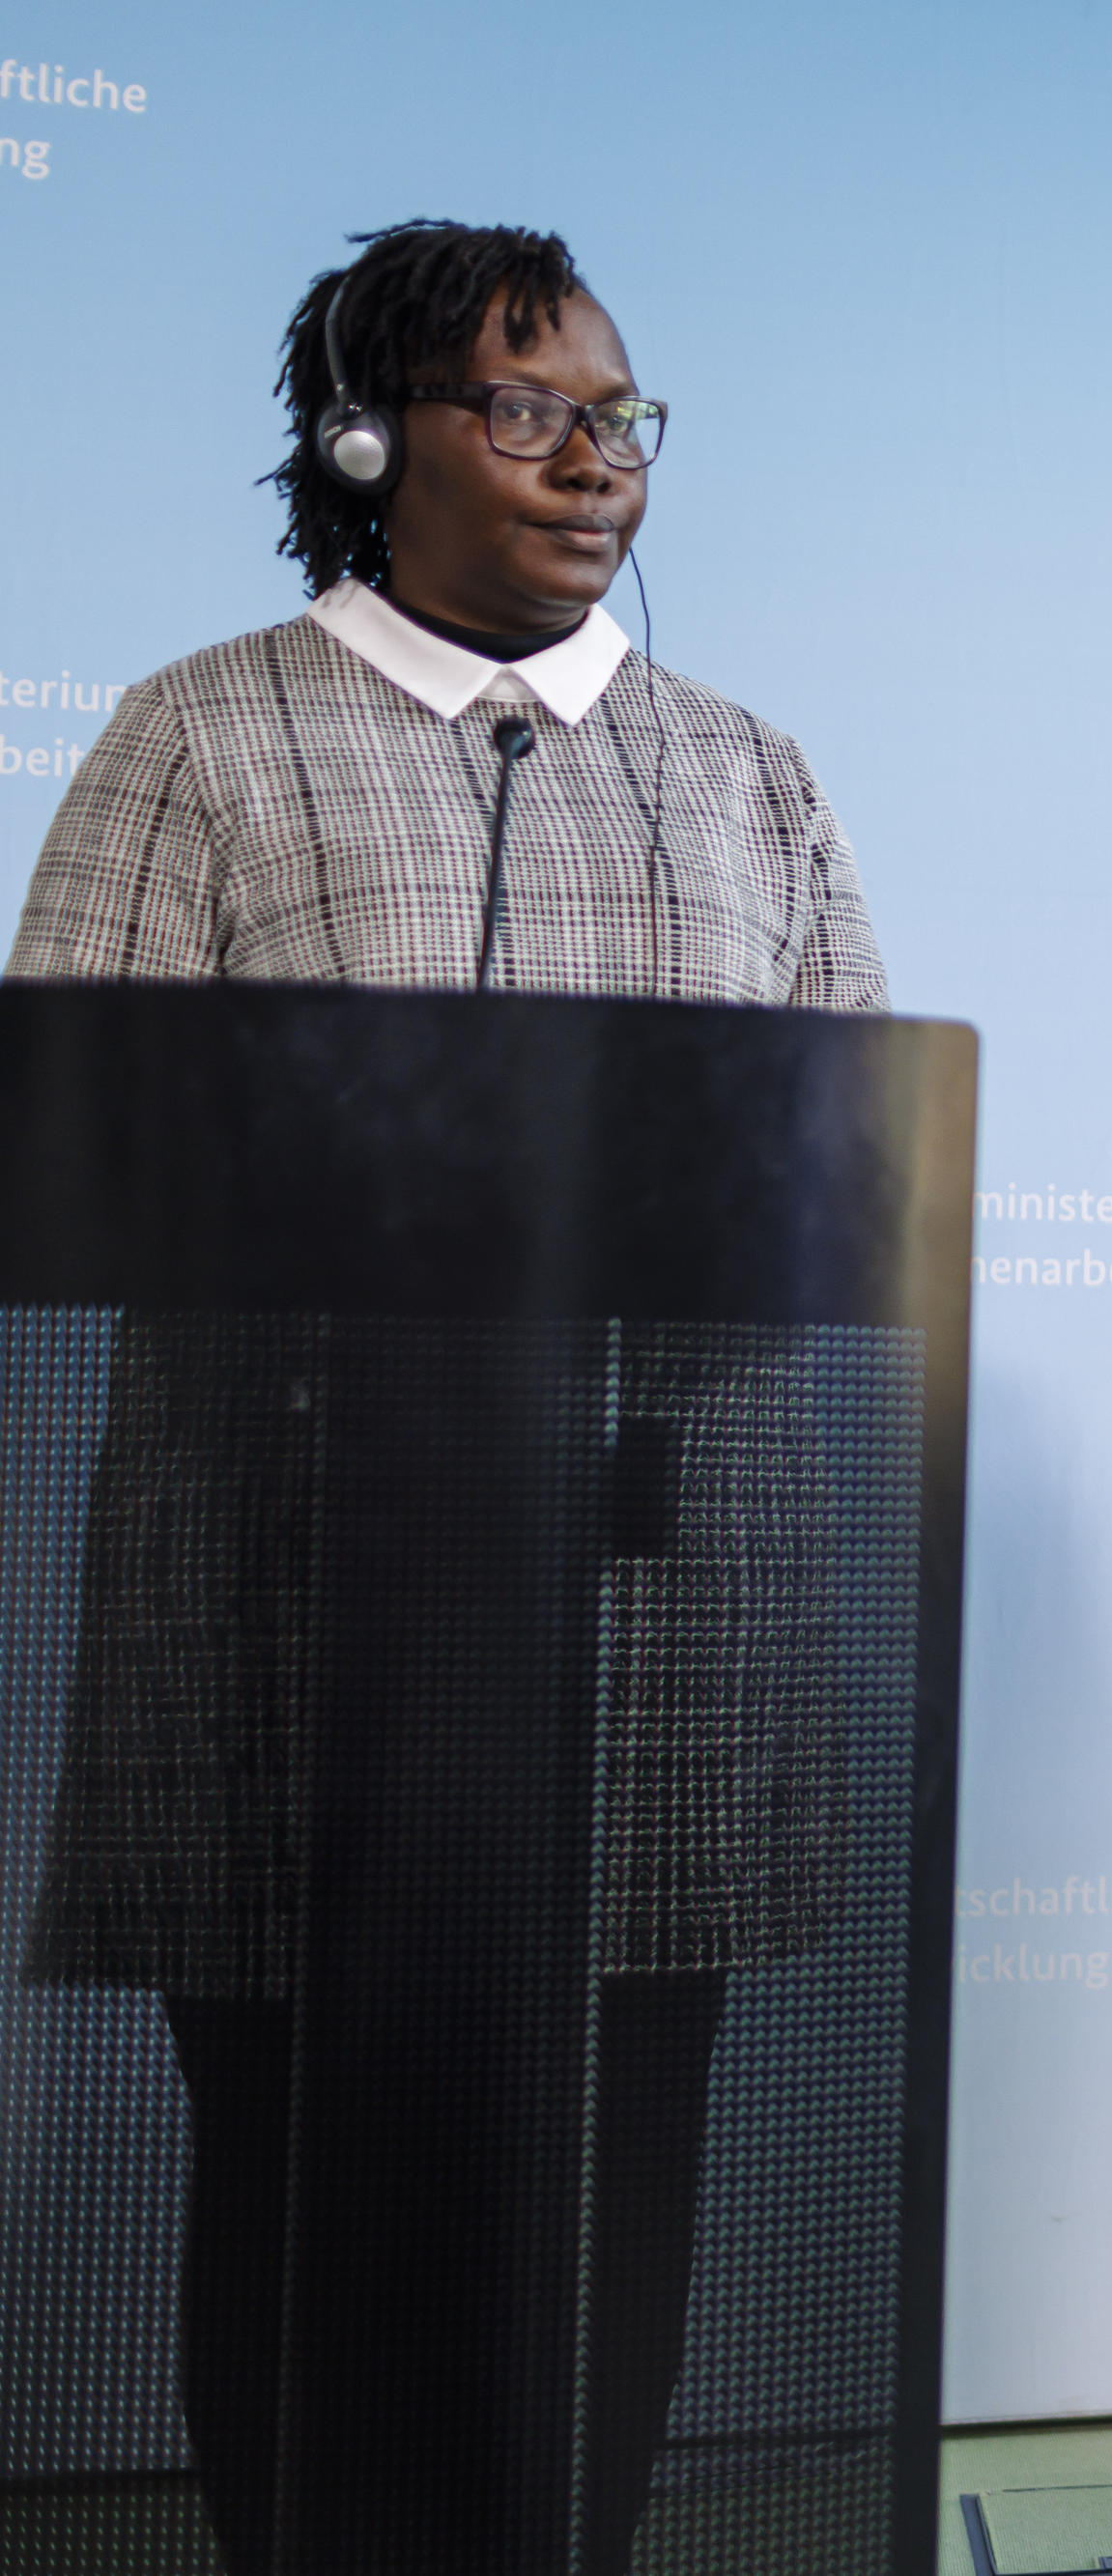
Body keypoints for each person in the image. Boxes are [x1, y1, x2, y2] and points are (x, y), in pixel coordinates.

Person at [7, 219, 884, 2576]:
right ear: (368, 442)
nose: (595, 462)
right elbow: (70, 1148)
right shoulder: (200, 730)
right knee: (291, 2166)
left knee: (617, 2175)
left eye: (621, 416)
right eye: (530, 410)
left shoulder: (745, 774)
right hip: (280, 1577)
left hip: (664, 1583)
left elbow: (840, 1181)